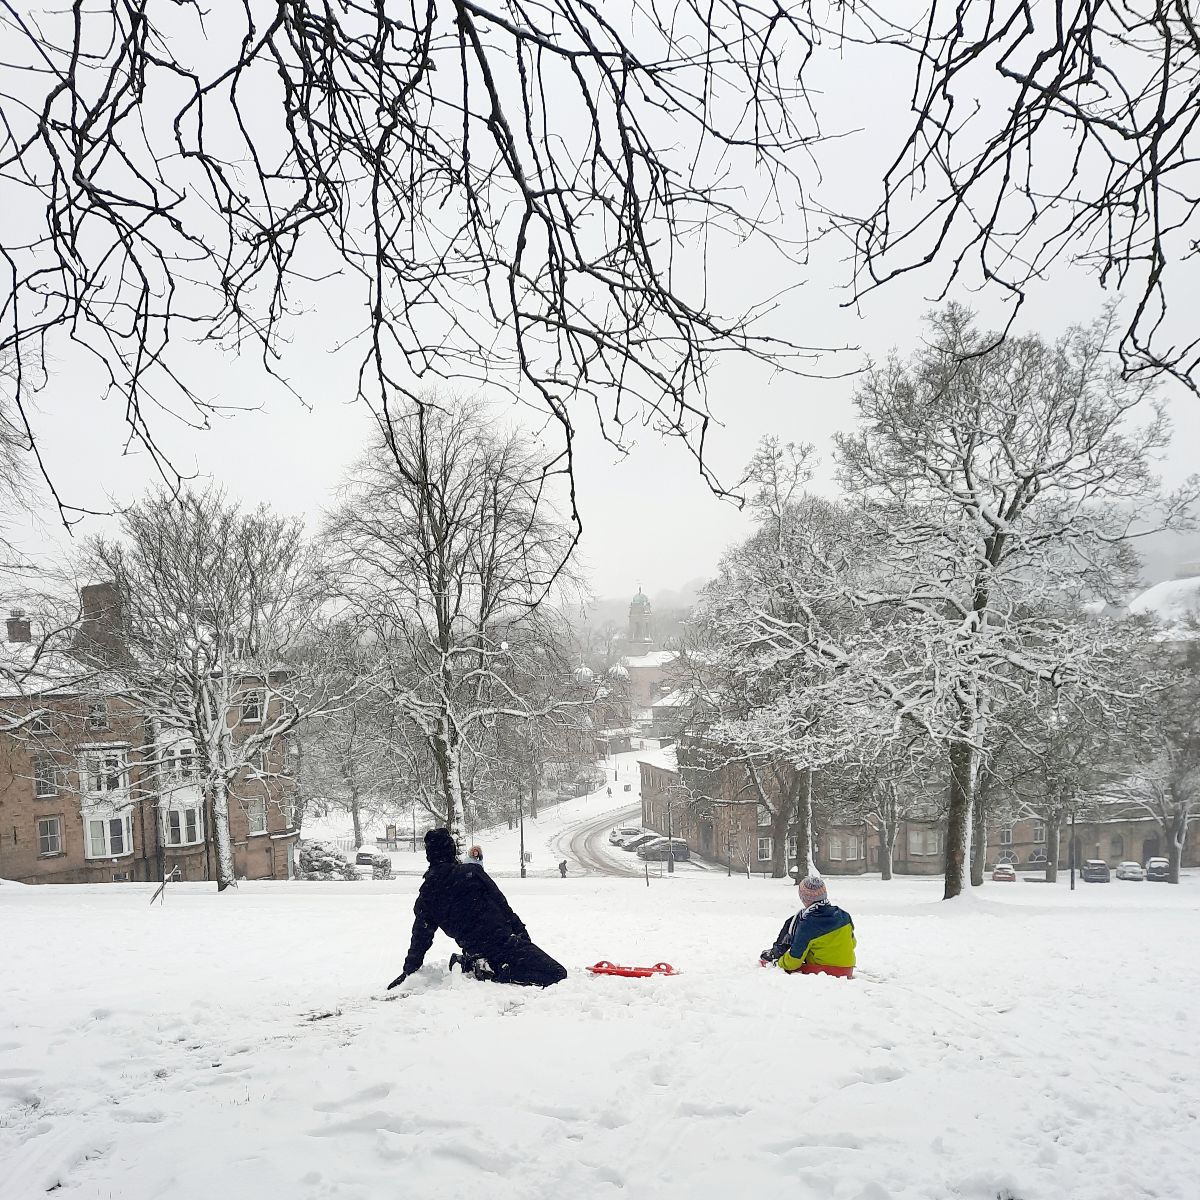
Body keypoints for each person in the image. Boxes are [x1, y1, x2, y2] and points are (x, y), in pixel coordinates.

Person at [388, 828, 567, 989]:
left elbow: (421, 936)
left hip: (475, 948)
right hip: (504, 943)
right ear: (452, 851)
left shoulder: (427, 893)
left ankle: (480, 964)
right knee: (557, 973)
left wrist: (408, 971)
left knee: (536, 968)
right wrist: (523, 938)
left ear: (429, 856)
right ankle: (494, 970)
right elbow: (504, 907)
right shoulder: (472, 873)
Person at [760, 874, 856, 978]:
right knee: (793, 921)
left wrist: (778, 963)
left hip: (824, 971)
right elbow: (853, 943)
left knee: (793, 924)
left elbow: (794, 961)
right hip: (847, 969)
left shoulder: (807, 924)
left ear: (803, 898)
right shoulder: (844, 915)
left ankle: (777, 952)